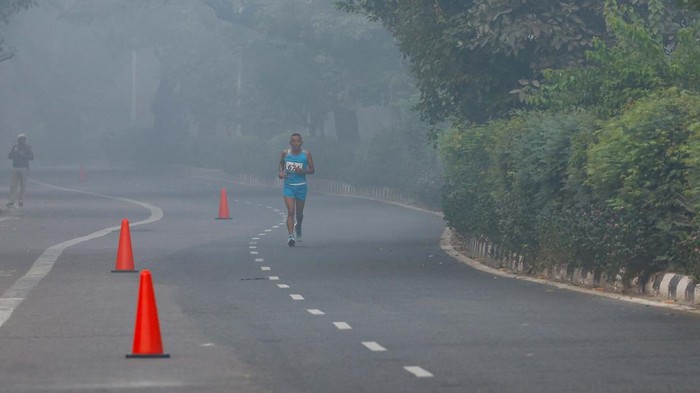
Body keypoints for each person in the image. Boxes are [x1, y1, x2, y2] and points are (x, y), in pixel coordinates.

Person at [278, 133, 314, 247]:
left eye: (298, 141)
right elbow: (281, 164)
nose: (296, 143)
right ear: (290, 143)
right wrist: (281, 173)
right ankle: (290, 236)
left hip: (301, 186)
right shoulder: (285, 153)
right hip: (289, 186)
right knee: (290, 211)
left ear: (301, 143)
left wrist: (302, 171)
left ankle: (298, 226)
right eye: (293, 141)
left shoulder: (306, 154)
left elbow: (312, 170)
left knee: (299, 213)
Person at [7, 133, 34, 208]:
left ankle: (21, 200)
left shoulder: (28, 147)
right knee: (13, 185)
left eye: (23, 139)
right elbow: (9, 156)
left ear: (24, 140)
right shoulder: (15, 147)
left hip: (24, 167)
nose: (21, 141)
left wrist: (23, 155)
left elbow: (31, 157)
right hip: (15, 167)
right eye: (20, 139)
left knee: (23, 185)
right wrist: (15, 153)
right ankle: (11, 201)